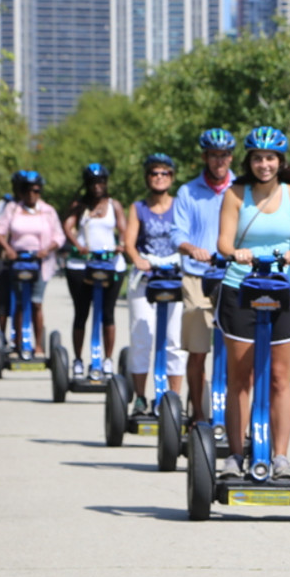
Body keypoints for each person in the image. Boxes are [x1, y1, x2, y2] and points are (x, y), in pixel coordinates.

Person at [216, 127, 290, 477]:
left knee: (278, 378)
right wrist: (236, 253)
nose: (264, 164)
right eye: (257, 158)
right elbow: (224, 243)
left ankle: (281, 458)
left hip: (283, 288)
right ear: (249, 161)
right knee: (240, 376)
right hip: (240, 288)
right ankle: (236, 455)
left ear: (280, 162)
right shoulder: (235, 194)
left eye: (270, 158)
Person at [172, 128, 237, 424]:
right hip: (198, 276)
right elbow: (177, 233)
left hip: (234, 275)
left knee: (236, 352)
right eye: (213, 155)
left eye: (223, 155)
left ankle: (232, 419)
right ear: (205, 157)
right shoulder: (188, 191)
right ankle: (198, 416)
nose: (218, 160)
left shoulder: (241, 189)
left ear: (231, 157)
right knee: (198, 351)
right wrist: (191, 248)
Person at [123, 153, 186, 412]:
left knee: (174, 340)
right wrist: (137, 258)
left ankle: (174, 400)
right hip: (145, 280)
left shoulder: (180, 205)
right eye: (154, 173)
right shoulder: (138, 208)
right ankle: (140, 397)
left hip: (174, 279)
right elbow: (129, 241)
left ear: (171, 177)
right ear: (147, 177)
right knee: (142, 336)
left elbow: (187, 236)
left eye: (164, 173)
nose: (159, 177)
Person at [62, 163, 126, 378]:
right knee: (81, 313)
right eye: (92, 182)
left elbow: (124, 229)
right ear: (87, 184)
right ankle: (79, 360)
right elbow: (67, 226)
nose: (97, 186)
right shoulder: (80, 206)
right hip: (82, 264)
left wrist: (122, 244)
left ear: (106, 183)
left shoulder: (114, 205)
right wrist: (77, 245)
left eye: (100, 181)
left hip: (110, 263)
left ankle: (107, 360)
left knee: (108, 313)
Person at [0, 170, 65, 356]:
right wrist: (8, 249)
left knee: (36, 303)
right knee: (19, 303)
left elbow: (59, 236)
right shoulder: (13, 209)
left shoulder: (48, 211)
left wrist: (47, 250)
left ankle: (38, 345)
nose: (32, 194)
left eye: (36, 190)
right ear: (21, 192)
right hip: (18, 261)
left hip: (41, 262)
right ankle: (18, 344)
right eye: (28, 191)